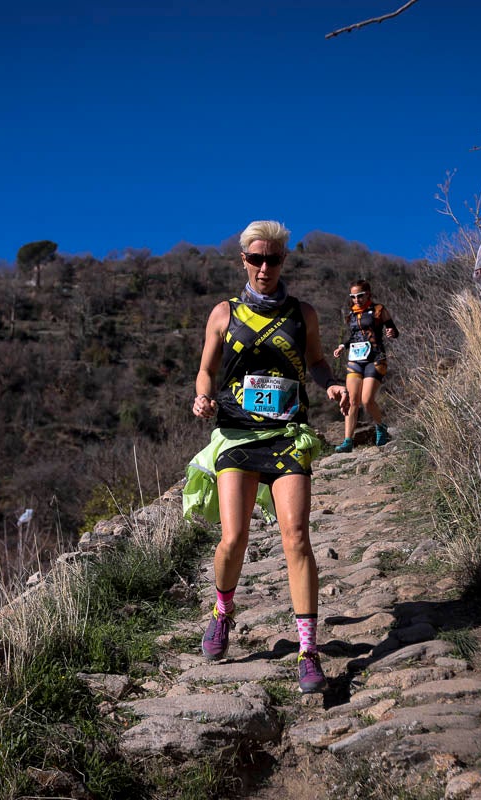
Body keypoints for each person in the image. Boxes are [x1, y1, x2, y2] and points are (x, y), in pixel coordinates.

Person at [188, 219, 350, 694]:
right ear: (243, 260)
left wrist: (332, 383)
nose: (264, 267)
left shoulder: (304, 313)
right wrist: (203, 397)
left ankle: (307, 651)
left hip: (287, 434)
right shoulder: (223, 313)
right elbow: (206, 370)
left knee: (296, 537)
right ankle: (222, 611)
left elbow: (317, 361)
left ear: (284, 261)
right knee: (233, 538)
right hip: (237, 434)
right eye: (256, 259)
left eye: (273, 259)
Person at [332, 279, 400, 452]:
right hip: (355, 359)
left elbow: (392, 329)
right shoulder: (352, 315)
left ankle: (381, 426)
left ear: (368, 294)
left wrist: (392, 332)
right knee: (351, 400)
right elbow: (354, 335)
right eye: (353, 297)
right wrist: (342, 346)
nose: (356, 300)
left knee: (366, 400)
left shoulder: (378, 310)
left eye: (360, 296)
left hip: (376, 358)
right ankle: (348, 441)